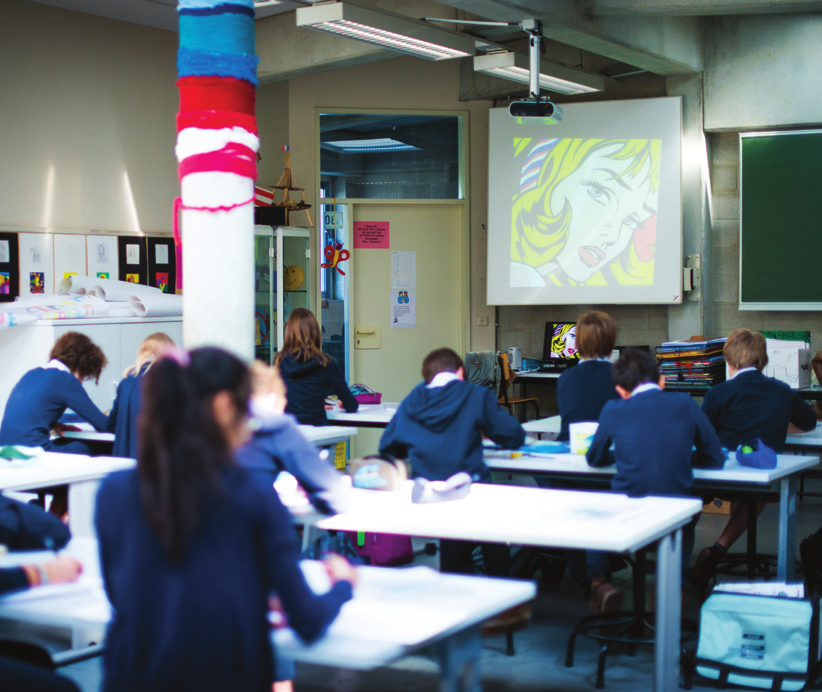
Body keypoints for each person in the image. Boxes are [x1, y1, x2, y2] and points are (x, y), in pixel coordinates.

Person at [95, 347, 356, 692]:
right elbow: (306, 620)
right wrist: (344, 584)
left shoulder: (114, 492)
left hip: (131, 677)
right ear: (222, 406)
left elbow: (125, 596)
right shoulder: (253, 496)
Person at [585, 348, 724, 612]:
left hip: (627, 514)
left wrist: (621, 453)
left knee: (596, 511)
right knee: (685, 517)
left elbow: (594, 458)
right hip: (672, 516)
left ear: (621, 390)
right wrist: (683, 458)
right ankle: (672, 587)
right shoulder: (685, 403)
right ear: (662, 381)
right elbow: (715, 457)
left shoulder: (613, 409)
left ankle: (600, 584)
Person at [379, 347, 525, 576]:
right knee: (498, 518)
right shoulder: (476, 395)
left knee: (455, 527)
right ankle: (502, 588)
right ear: (460, 372)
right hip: (469, 491)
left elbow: (388, 448)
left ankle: (457, 577)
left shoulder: (412, 402)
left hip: (426, 494)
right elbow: (514, 436)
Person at [690, 328, 816, 589]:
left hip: (718, 478)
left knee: (690, 497)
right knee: (754, 499)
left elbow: (702, 436)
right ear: (764, 360)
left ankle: (679, 559)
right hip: (760, 481)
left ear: (729, 361)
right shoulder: (782, 391)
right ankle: (718, 548)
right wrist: (780, 425)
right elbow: (809, 422)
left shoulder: (718, 393)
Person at [510, 138, 660, 288]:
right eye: (598, 192)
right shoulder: (518, 276)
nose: (612, 236)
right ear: (549, 176)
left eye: (631, 220)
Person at [236, 361, 351, 515]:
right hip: (265, 534)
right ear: (272, 397)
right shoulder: (277, 430)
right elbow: (336, 494)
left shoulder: (212, 436)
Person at [0, 331, 108, 455]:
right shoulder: (65, 380)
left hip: (5, 452)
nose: (82, 381)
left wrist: (53, 424)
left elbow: (25, 416)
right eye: (84, 375)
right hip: (33, 454)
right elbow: (103, 425)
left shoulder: (32, 374)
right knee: (103, 446)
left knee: (64, 441)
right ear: (81, 365)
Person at [275, 308, 358, 426]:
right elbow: (351, 406)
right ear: (315, 332)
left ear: (288, 333)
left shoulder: (279, 361)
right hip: (318, 433)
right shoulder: (326, 362)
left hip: (288, 433)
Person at [106, 332, 175, 458]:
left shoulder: (126, 382)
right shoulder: (165, 381)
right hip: (151, 462)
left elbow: (111, 424)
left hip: (122, 461)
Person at [556, 311, 620, 442]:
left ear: (577, 344)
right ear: (612, 343)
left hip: (570, 446)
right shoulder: (623, 376)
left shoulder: (566, 377)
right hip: (608, 450)